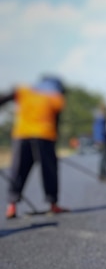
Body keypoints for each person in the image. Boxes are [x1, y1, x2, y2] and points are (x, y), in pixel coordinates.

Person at [0, 75, 69, 219]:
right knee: (49, 171)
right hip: (45, 136)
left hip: (22, 135)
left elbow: (3, 99)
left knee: (18, 170)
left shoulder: (24, 91)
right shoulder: (56, 98)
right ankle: (52, 204)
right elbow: (56, 122)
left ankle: (11, 206)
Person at [93, 102, 106, 181]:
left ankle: (103, 175)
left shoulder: (98, 117)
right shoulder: (102, 117)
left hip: (101, 139)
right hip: (102, 140)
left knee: (103, 158)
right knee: (103, 159)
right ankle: (103, 175)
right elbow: (100, 130)